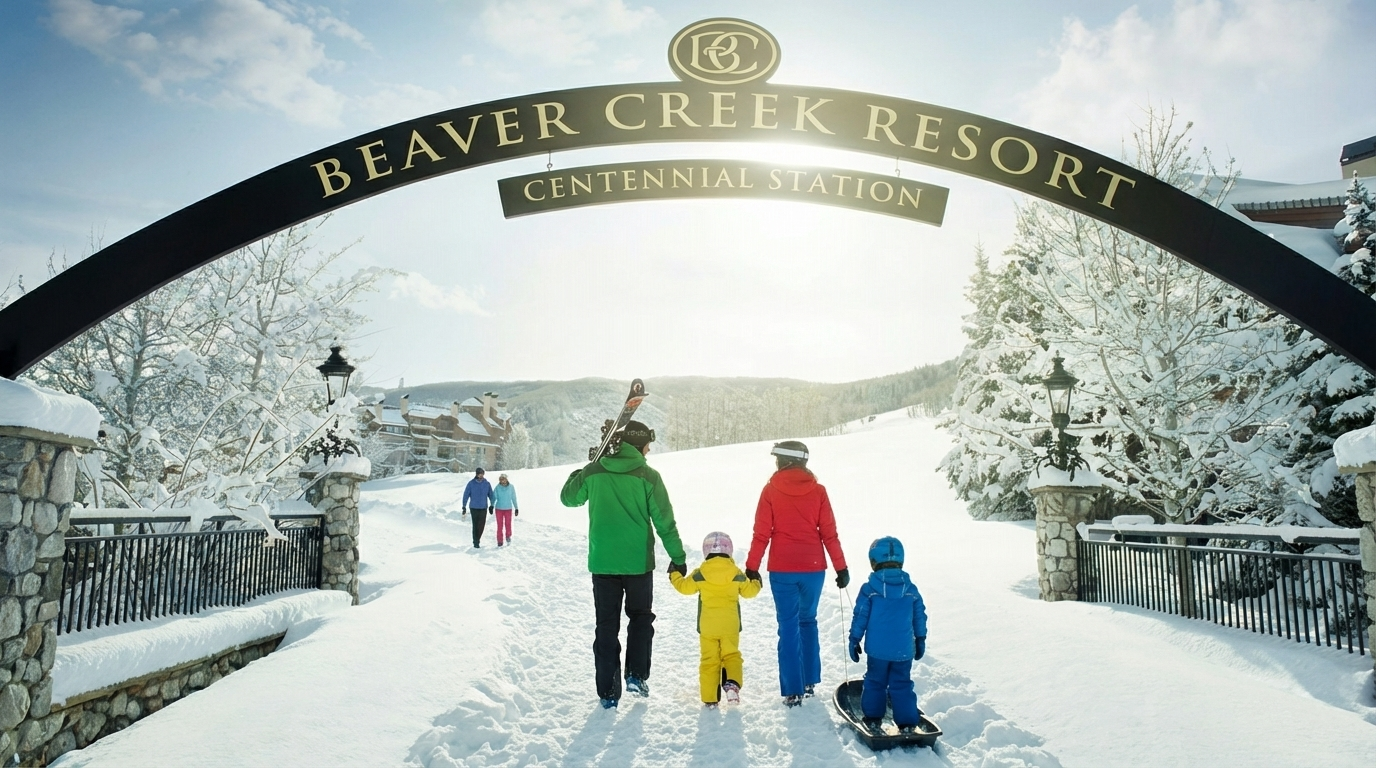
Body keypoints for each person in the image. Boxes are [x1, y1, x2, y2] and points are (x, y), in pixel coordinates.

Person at [560, 420, 687, 710]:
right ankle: (636, 675)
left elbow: (568, 498)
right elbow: (665, 523)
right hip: (638, 564)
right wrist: (678, 558)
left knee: (606, 626)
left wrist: (584, 468)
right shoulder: (648, 475)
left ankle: (607, 692)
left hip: (603, 563)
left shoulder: (594, 472)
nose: (649, 451)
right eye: (647, 446)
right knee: (640, 618)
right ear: (638, 445)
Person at [744, 440, 849, 708]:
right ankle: (809, 681)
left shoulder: (770, 491)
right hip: (814, 569)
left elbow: (761, 534)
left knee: (788, 626)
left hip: (782, 568)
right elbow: (829, 533)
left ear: (784, 461)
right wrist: (841, 567)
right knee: (808, 621)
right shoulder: (819, 491)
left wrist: (752, 566)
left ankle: (793, 691)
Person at [670, 532, 762, 708]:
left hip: (708, 627)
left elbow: (684, 587)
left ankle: (710, 698)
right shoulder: (735, 573)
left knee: (709, 660)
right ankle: (732, 684)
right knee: (731, 655)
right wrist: (756, 581)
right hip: (730, 625)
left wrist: (674, 574)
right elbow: (749, 591)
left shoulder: (701, 573)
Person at [848, 536, 928, 734]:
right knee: (901, 683)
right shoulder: (911, 590)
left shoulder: (869, 591)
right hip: (903, 650)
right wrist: (920, 638)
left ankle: (873, 719)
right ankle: (908, 723)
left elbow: (860, 617)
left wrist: (854, 638)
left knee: (875, 681)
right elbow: (920, 617)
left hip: (877, 650)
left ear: (874, 561)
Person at [462, 467, 494, 548]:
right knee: (475, 525)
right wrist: (464, 506)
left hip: (483, 507)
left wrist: (492, 505)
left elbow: (491, 495)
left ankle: (477, 539)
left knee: (481, 525)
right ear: (476, 474)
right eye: (479, 474)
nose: (481, 476)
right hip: (474, 507)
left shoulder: (487, 484)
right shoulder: (471, 484)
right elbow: (466, 495)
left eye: (482, 474)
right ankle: (476, 542)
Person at [492, 473, 519, 548]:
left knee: (508, 524)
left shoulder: (511, 487)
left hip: (508, 509)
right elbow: (494, 498)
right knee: (499, 525)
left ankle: (508, 536)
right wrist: (491, 505)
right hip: (499, 509)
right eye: (501, 480)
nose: (503, 481)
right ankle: (500, 541)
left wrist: (516, 508)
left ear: (507, 479)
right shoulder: (497, 488)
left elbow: (514, 498)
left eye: (504, 479)